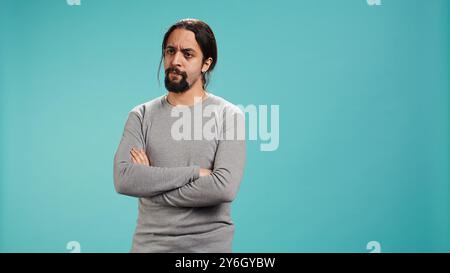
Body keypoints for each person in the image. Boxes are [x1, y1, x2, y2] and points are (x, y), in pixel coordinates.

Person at [113, 18, 246, 253]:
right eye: (170, 51)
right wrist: (194, 173)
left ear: (206, 63)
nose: (175, 61)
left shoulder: (229, 115)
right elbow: (124, 179)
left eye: (187, 54)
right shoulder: (141, 116)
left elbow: (224, 188)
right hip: (149, 247)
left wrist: (151, 186)